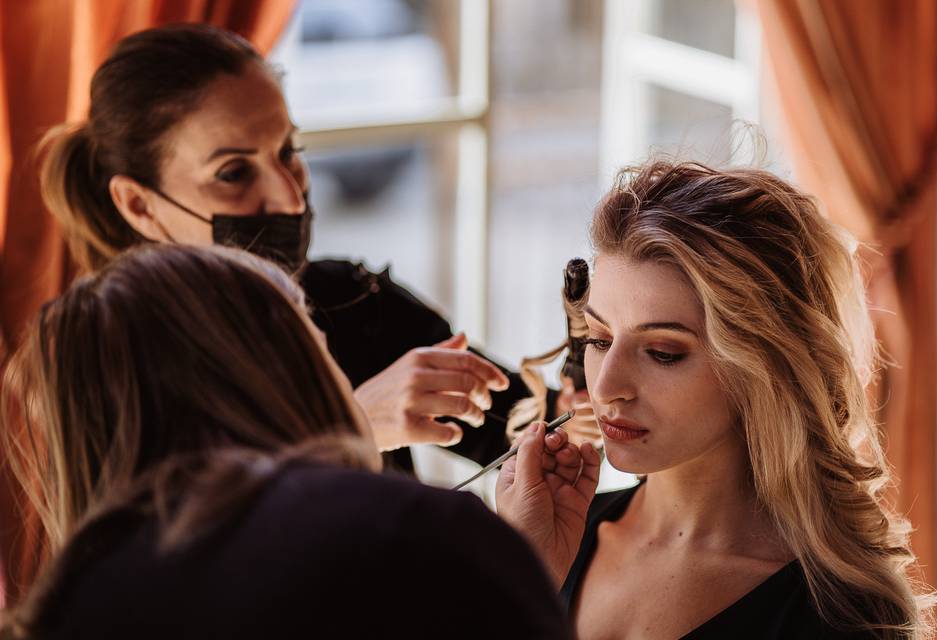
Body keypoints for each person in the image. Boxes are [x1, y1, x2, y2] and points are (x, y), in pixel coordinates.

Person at [38, 22, 595, 473]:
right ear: (139, 205)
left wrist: (568, 418)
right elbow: (171, 574)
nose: (287, 195)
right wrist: (349, 427)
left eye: (289, 150)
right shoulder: (97, 360)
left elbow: (523, 429)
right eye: (233, 173)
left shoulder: (355, 303)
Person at [0, 244, 573, 639]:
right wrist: (508, 569)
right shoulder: (416, 538)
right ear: (273, 365)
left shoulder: (64, 608)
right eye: (314, 334)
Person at [496, 161, 937, 638]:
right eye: (600, 339)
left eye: (663, 353)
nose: (606, 387)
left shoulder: (841, 618)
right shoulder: (557, 537)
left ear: (763, 367)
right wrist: (525, 578)